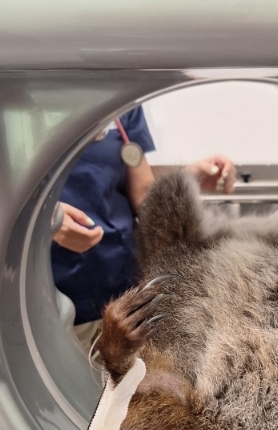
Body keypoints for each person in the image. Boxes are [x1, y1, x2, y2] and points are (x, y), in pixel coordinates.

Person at [51, 105, 236, 351]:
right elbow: (5, 195)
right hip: (54, 288)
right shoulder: (21, 104)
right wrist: (50, 219)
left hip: (122, 283)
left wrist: (190, 177)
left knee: (124, 369)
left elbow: (143, 195)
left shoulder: (123, 107)